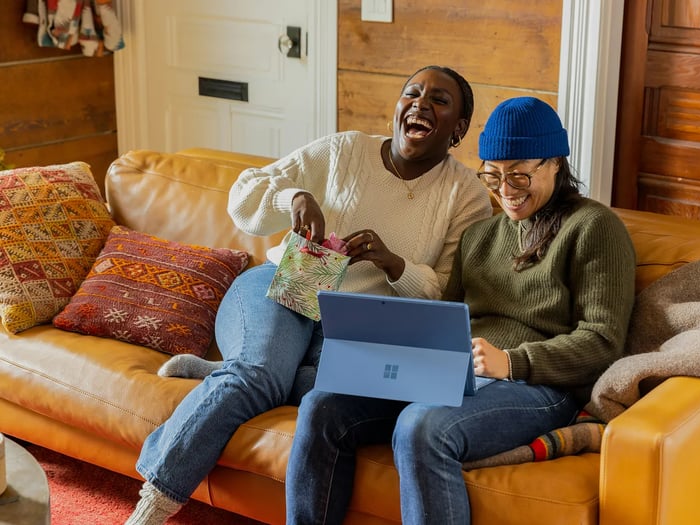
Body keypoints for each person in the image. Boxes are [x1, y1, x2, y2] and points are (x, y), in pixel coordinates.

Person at [124, 65, 493, 525]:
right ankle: (153, 504)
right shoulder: (345, 150)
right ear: (398, 108)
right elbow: (245, 194)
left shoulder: (468, 197)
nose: (420, 104)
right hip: (285, 283)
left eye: (439, 100)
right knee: (260, 375)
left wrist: (392, 263)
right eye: (412, 94)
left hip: (360, 322)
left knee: (327, 392)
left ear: (458, 129)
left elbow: (445, 293)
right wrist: (294, 198)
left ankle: (225, 371)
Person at [284, 96, 637, 524]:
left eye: (520, 176)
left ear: (555, 164)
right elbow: (445, 321)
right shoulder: (479, 237)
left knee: (422, 426)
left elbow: (602, 341)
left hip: (540, 385)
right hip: (458, 374)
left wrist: (512, 362)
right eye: (493, 175)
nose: (506, 191)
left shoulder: (595, 227)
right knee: (323, 404)